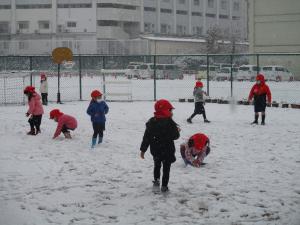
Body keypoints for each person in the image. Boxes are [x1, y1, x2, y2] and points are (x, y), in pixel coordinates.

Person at [140, 99, 180, 192]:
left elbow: (146, 138)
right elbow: (175, 136)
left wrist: (143, 150)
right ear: (165, 111)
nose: (172, 112)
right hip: (167, 151)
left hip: (156, 150)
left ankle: (157, 180)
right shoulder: (170, 123)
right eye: (170, 110)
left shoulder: (151, 122)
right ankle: (164, 186)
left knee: (157, 166)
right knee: (166, 169)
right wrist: (177, 131)